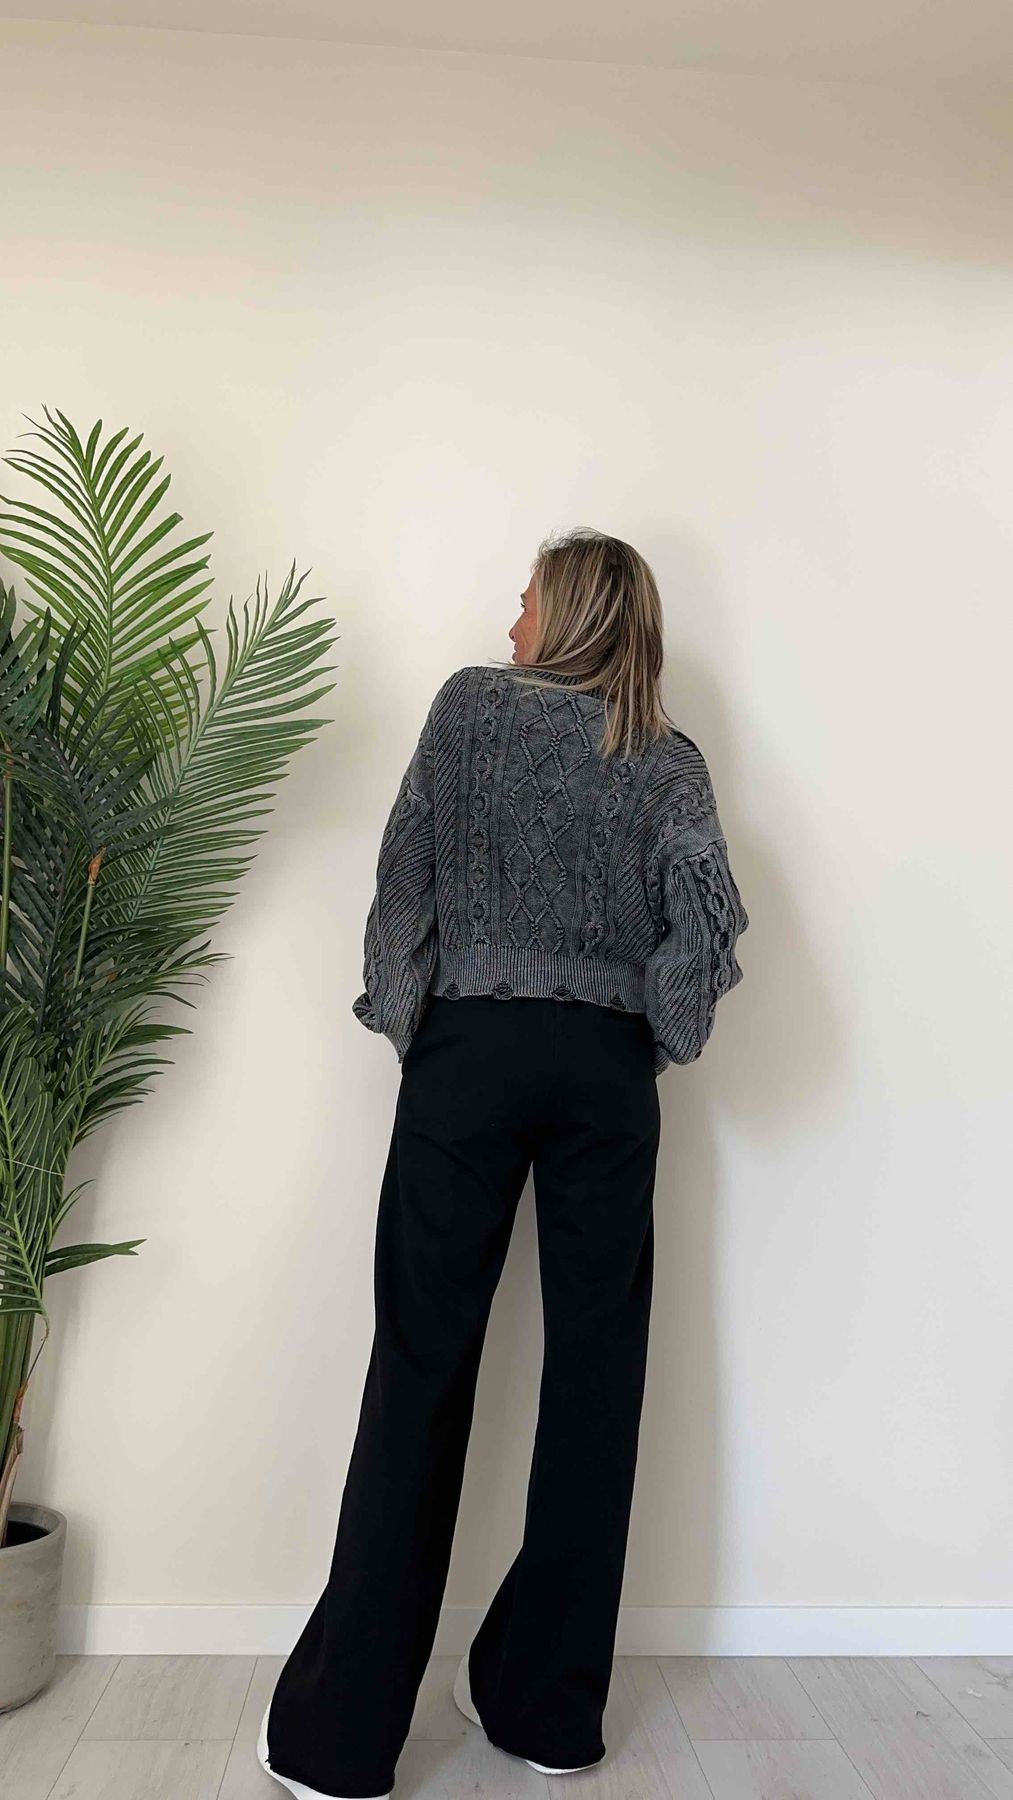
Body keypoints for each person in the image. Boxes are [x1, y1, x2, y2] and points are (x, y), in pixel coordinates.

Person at [257, 527, 750, 1799]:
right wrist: (650, 1036)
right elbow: (703, 926)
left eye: (526, 599)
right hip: (603, 1075)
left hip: (468, 1057)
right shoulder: (664, 755)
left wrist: (411, 1020)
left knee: (419, 1371)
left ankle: (340, 1743)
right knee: (595, 1381)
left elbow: (403, 877)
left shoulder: (469, 710)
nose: (510, 617)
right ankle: (545, 1711)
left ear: (568, 612)